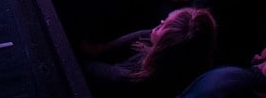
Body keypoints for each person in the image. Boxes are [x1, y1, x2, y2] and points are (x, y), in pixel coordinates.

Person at [82, 7, 217, 98]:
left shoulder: (134, 79)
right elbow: (101, 50)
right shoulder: (155, 39)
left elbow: (87, 69)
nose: (160, 22)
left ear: (167, 45)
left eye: (163, 26)